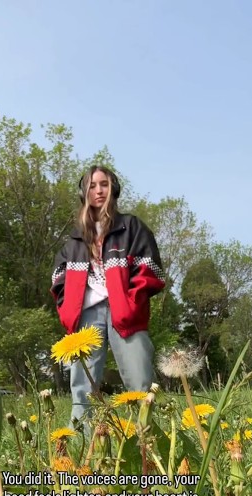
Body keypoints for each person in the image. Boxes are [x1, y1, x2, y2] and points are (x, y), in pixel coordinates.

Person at [50, 165, 166, 426]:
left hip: (125, 312)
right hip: (86, 314)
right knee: (82, 387)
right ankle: (82, 444)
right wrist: (68, 308)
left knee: (139, 381)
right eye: (92, 186)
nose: (98, 190)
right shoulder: (75, 240)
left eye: (104, 184)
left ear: (114, 189)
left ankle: (145, 442)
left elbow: (152, 269)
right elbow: (58, 278)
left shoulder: (131, 227)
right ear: (84, 193)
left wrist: (132, 302)